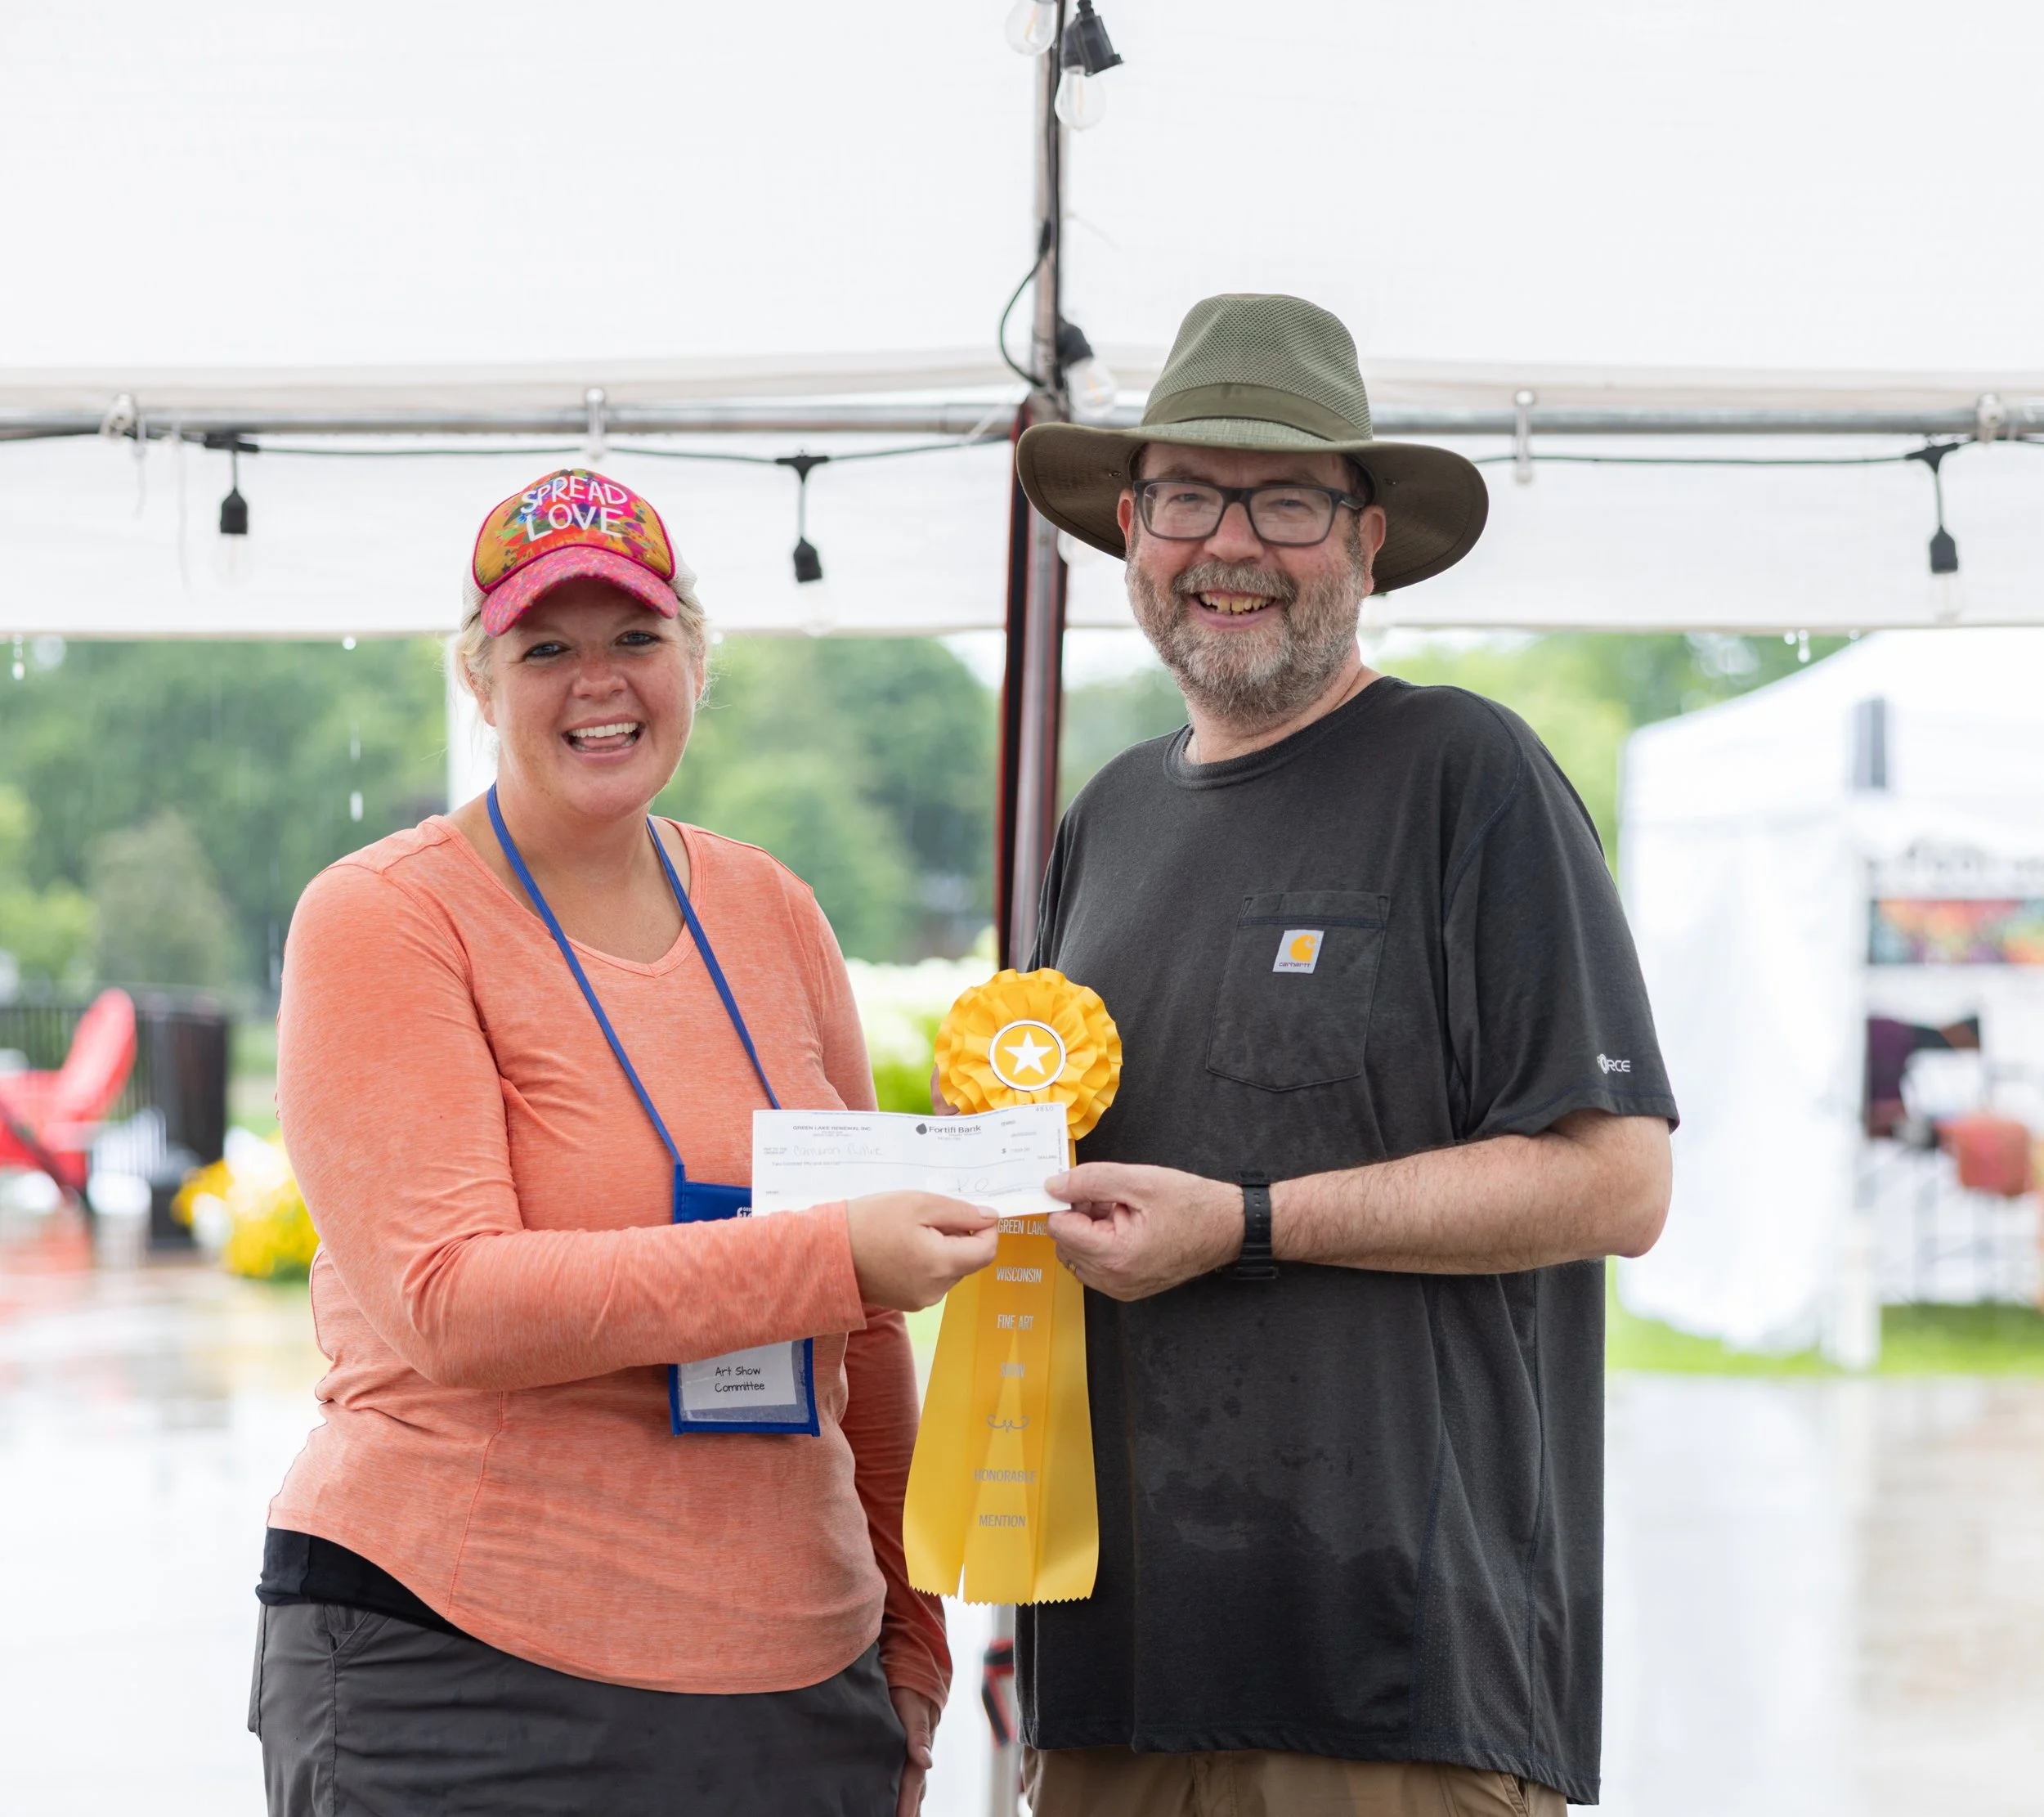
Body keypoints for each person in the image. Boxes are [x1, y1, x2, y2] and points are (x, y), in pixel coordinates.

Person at [1006, 295, 1678, 1815]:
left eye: (1289, 498)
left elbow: (1619, 1181)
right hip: (1107, 1676)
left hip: (1395, 1689)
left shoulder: (1467, 772)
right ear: (1129, 525)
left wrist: (1246, 1220)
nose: (1228, 542)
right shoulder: (1107, 815)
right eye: (1187, 494)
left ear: (1367, 539)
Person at [251, 469, 997, 1817]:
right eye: (548, 648)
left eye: (636, 638)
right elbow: (452, 1300)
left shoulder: (774, 910)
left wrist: (913, 1634)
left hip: (796, 1686)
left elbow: (867, 1338)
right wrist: (831, 1255)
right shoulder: (384, 918)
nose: (600, 682)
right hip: (461, 1670)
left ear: (696, 659)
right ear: (480, 682)